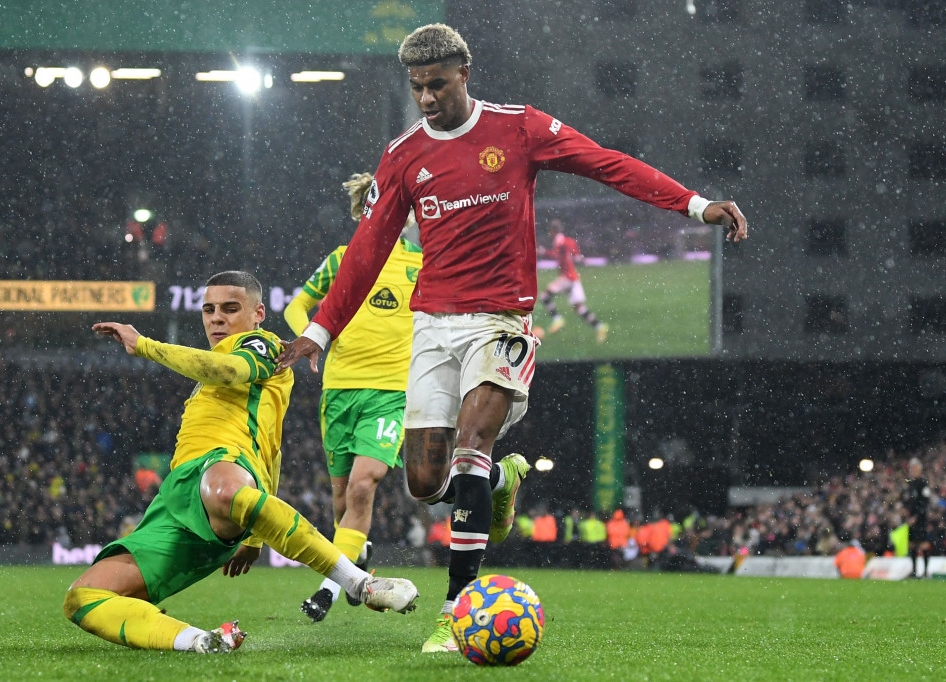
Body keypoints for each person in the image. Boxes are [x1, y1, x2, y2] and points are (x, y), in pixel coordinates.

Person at [277, 23, 748, 652]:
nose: (426, 99)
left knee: (473, 441)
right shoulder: (404, 155)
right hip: (434, 327)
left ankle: (455, 609)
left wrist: (694, 205)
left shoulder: (518, 128)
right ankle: (499, 483)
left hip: (501, 320)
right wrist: (319, 329)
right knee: (424, 482)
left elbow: (606, 164)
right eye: (416, 87)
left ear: (464, 74)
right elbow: (368, 249)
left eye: (437, 85)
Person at [62, 271, 418, 654]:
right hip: (178, 498)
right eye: (209, 310)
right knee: (82, 597)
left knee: (223, 489)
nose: (217, 318)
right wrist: (252, 538)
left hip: (223, 471)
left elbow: (229, 371)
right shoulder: (211, 373)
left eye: (230, 309)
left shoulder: (263, 346)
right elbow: (273, 454)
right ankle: (202, 641)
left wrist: (144, 344)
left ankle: (361, 584)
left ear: (258, 312)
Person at [284, 173, 423, 622]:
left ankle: (327, 590)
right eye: (370, 208)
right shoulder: (342, 260)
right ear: (363, 213)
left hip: (389, 394)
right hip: (339, 391)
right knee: (343, 505)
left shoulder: (421, 263)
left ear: (398, 217)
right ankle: (356, 557)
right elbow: (296, 306)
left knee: (364, 486)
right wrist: (310, 336)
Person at [538, 218, 609, 342]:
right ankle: (600, 327)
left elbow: (556, 254)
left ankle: (557, 319)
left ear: (554, 231)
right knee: (580, 308)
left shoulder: (559, 240)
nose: (550, 234)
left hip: (567, 278)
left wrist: (544, 252)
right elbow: (576, 255)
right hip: (574, 278)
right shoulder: (569, 240)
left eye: (551, 231)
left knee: (544, 296)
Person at [902, 457, 932, 577]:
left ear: (920, 469)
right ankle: (914, 571)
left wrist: (917, 517)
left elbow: (925, 503)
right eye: (911, 468)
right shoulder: (911, 483)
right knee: (912, 544)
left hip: (920, 520)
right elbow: (910, 501)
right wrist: (907, 512)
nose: (913, 470)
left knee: (923, 544)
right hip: (911, 520)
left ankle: (925, 571)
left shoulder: (923, 483)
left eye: (915, 468)